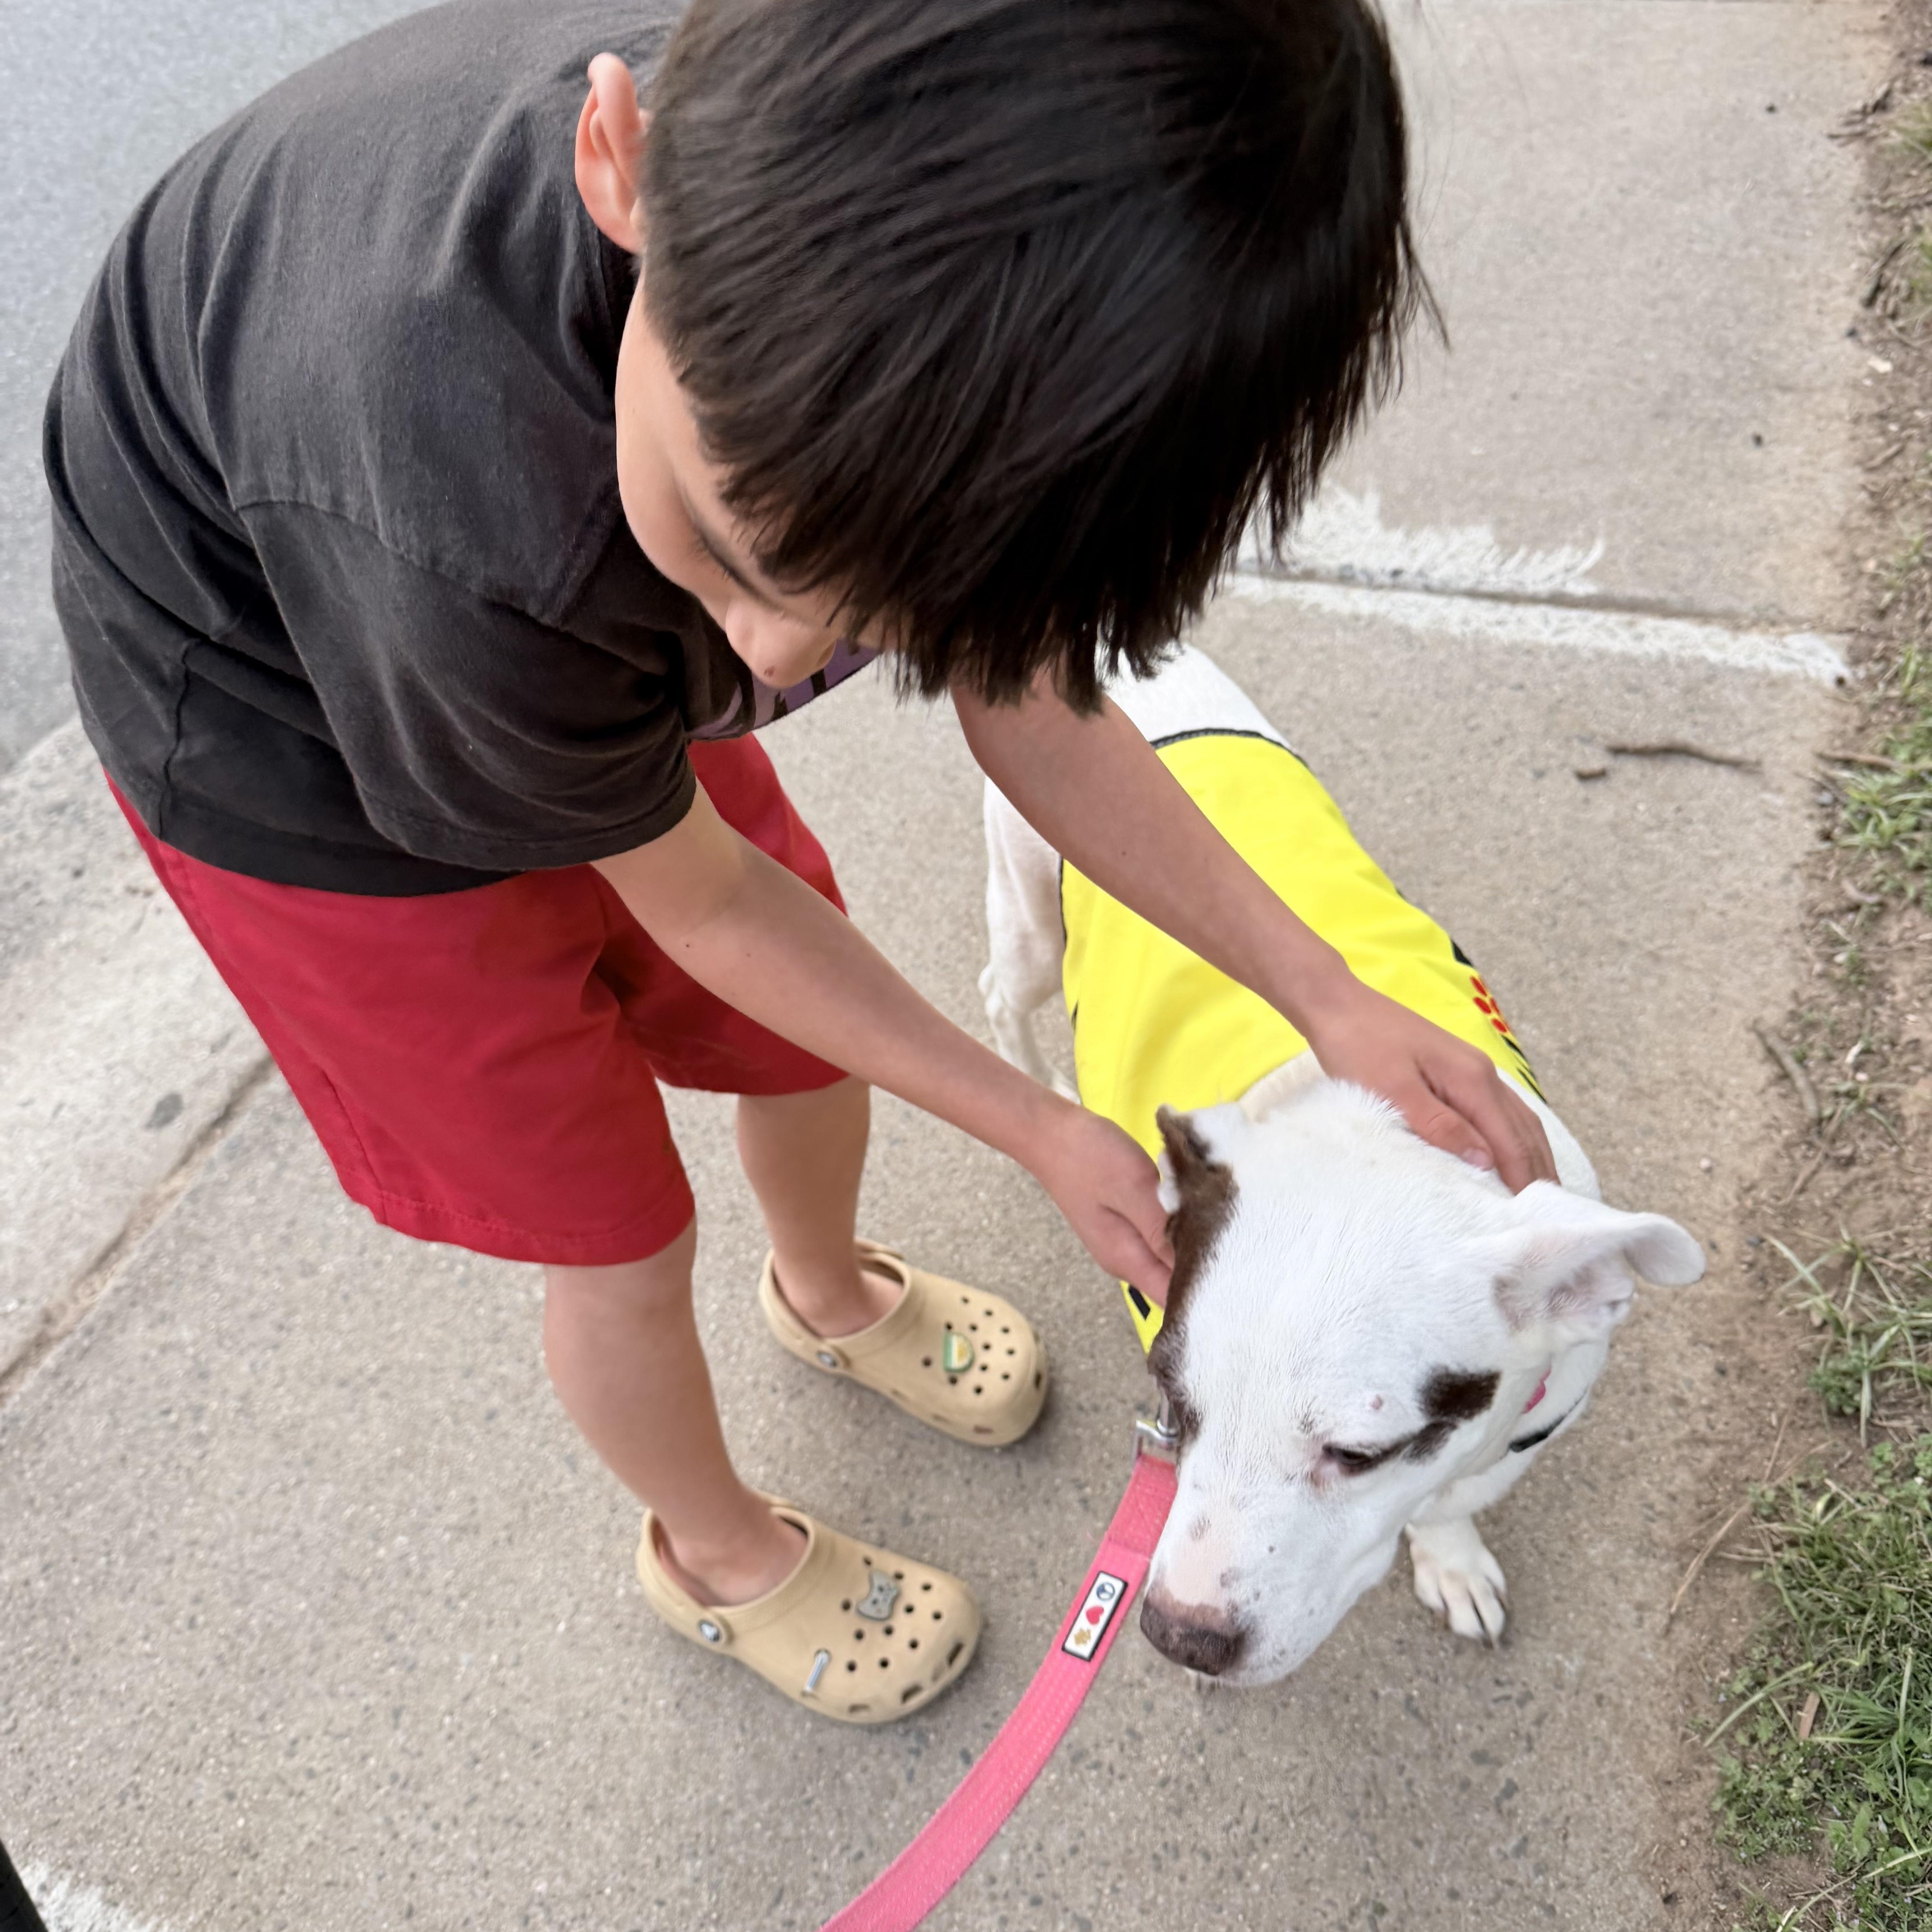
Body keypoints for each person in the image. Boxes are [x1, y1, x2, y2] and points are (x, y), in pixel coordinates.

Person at [45, 0, 1555, 1725]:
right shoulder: (467, 523)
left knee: (788, 1021)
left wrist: (1325, 993)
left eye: (889, 614)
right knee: (609, 1222)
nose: (771, 662)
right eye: (738, 549)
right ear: (618, 173)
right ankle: (712, 1549)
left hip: (558, 645)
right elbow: (696, 897)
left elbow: (1033, 706)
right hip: (290, 722)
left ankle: (827, 1287)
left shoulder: (870, 367)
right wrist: (1033, 1117)